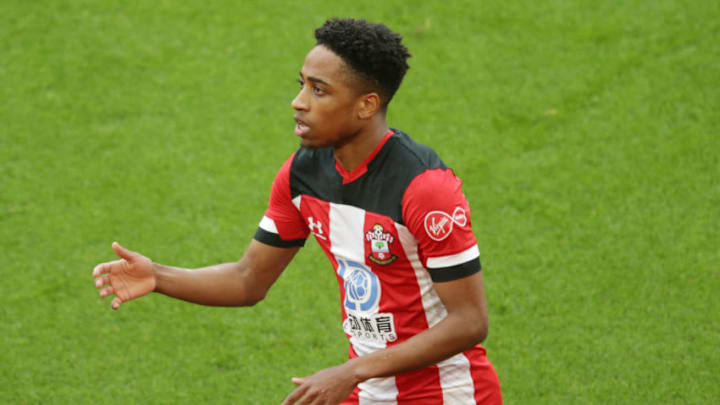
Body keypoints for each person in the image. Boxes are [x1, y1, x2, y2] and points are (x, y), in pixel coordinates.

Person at [92, 18, 502, 405]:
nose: (298, 102)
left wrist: (352, 371)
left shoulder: (424, 188)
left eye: (318, 90)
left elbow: (468, 321)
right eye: (301, 85)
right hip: (366, 391)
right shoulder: (302, 174)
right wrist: (158, 276)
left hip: (448, 394)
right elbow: (248, 279)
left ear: (366, 105)